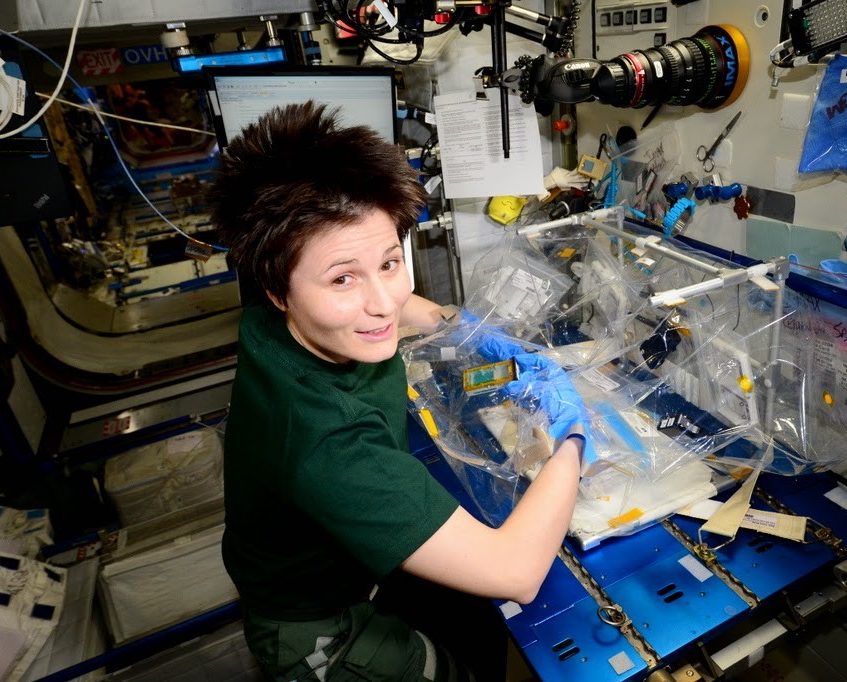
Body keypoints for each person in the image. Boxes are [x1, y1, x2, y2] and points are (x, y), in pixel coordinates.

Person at [210, 101, 588, 681]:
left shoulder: (274, 315)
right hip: (320, 631)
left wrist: (457, 327)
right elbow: (516, 571)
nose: (383, 303)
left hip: (328, 565)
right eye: (342, 279)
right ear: (277, 288)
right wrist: (572, 435)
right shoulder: (330, 443)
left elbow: (395, 301)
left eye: (390, 262)